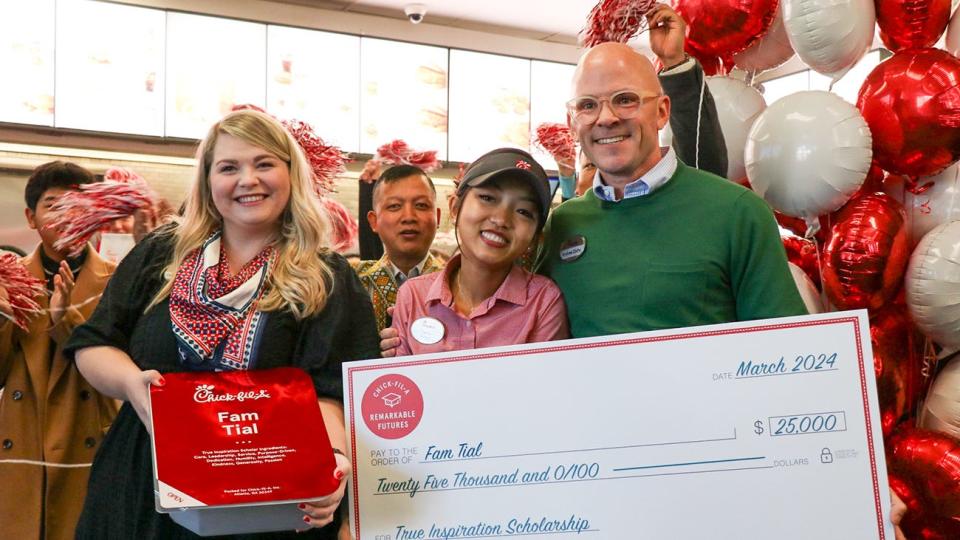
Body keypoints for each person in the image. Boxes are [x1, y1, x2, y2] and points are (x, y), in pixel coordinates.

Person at [63, 109, 379, 538]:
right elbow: (94, 344)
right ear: (209, 182)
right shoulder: (161, 254)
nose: (248, 179)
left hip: (269, 495)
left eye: (264, 163)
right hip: (145, 482)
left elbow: (329, 392)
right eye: (229, 167)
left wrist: (334, 459)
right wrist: (132, 385)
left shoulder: (326, 276)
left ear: (291, 174)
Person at [0, 161, 119, 540]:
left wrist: (64, 322)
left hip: (89, 443)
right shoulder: (9, 279)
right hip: (22, 446)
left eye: (77, 205)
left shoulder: (119, 280)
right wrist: (2, 316)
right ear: (30, 218)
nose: (67, 215)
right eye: (53, 205)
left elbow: (118, 374)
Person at [389, 148, 567, 356]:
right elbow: (405, 384)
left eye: (523, 211)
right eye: (488, 198)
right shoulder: (413, 296)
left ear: (535, 238)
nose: (501, 219)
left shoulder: (544, 302)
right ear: (455, 208)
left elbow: (543, 385)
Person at [555, 4, 728, 201]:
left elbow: (702, 166)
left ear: (662, 112)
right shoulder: (563, 225)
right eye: (588, 105)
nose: (606, 118)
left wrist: (675, 62)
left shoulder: (735, 211)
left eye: (625, 100)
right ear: (572, 125)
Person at [354, 164, 445, 332]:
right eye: (395, 206)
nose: (409, 217)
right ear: (374, 221)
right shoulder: (353, 284)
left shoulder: (458, 283)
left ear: (437, 217)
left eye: (421, 205)